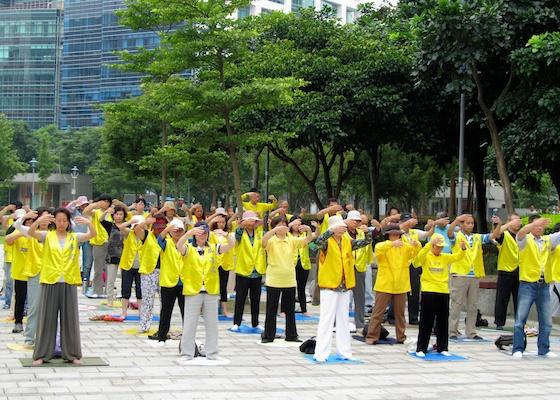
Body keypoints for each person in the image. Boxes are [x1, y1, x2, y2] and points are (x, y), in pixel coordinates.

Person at [27, 208, 97, 365]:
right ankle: (42, 355)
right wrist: (38, 222)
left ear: (68, 222)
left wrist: (89, 223)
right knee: (46, 319)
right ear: (54, 221)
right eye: (58, 220)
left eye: (64, 220)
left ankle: (72, 354)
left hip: (68, 281)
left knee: (69, 319)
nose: (61, 223)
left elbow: (93, 235)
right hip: (50, 280)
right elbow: (32, 233)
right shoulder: (47, 236)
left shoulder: (74, 237)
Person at [313, 215, 373, 362]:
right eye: (338, 227)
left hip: (345, 286)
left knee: (343, 320)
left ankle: (344, 351)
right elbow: (317, 242)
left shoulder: (348, 241)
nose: (342, 229)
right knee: (327, 320)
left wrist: (367, 232)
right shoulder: (326, 242)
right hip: (330, 286)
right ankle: (321, 353)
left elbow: (366, 242)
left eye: (342, 227)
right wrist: (330, 231)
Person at [176, 221, 235, 362]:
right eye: (200, 232)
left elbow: (231, 245)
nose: (203, 235)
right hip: (193, 290)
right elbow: (178, 246)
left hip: (211, 290)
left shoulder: (214, 248)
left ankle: (212, 353)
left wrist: (226, 235)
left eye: (205, 232)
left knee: (212, 324)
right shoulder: (189, 248)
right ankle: (186, 353)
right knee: (190, 323)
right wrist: (188, 233)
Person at [261, 216, 317, 343]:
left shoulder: (291, 240)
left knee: (290, 308)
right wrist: (274, 230)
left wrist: (308, 229)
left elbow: (308, 239)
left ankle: (291, 335)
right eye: (279, 224)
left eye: (284, 224)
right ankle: (268, 335)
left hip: (289, 279)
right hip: (274, 279)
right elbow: (264, 241)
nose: (282, 227)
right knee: (271, 309)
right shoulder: (271, 240)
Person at [446, 213, 500, 340]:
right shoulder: (457, 236)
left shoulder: (476, 237)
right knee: (456, 303)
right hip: (460, 273)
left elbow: (493, 235)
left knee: (473, 305)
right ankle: (452, 331)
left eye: (472, 223)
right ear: (462, 224)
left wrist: (499, 225)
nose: (470, 225)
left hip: (474, 274)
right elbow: (449, 232)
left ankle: (471, 332)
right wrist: (457, 219)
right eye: (467, 223)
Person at [512, 215, 560, 358]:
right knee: (520, 320)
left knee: (546, 320)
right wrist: (531, 226)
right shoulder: (526, 240)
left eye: (541, 225)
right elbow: (520, 233)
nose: (539, 227)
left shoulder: (547, 240)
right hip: (528, 284)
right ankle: (518, 348)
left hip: (544, 285)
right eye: (536, 225)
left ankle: (544, 349)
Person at [365, 223, 420, 345]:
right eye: (392, 234)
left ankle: (401, 336)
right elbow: (379, 249)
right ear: (387, 235)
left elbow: (415, 253)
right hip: (385, 284)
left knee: (400, 314)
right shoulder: (382, 245)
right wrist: (391, 244)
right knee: (378, 312)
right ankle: (372, 335)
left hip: (401, 284)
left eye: (397, 234)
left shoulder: (405, 246)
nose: (395, 236)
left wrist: (417, 245)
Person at [413, 234, 467, 357]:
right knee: (426, 321)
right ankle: (421, 347)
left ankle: (442, 347)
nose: (440, 249)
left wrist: (462, 249)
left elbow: (457, 257)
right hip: (429, 290)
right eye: (438, 247)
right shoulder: (426, 255)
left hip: (443, 291)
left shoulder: (444, 257)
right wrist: (428, 244)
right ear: (432, 245)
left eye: (441, 247)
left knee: (443, 321)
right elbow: (417, 261)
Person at [232, 211, 265, 331]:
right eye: (250, 220)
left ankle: (255, 322)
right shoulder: (241, 234)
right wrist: (242, 223)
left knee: (256, 299)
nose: (252, 223)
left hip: (257, 270)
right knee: (240, 298)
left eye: (254, 220)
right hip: (243, 270)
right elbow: (237, 233)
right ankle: (237, 322)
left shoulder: (259, 234)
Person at [345, 210, 378, 332]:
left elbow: (369, 241)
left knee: (360, 297)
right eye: (353, 220)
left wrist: (368, 232)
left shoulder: (362, 233)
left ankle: (359, 323)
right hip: (345, 267)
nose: (355, 223)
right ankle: (340, 323)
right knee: (342, 297)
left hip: (359, 267)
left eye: (358, 221)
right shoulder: (342, 232)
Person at [493, 213, 522, 330]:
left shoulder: (522, 236)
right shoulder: (504, 234)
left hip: (520, 270)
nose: (517, 223)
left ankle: (520, 322)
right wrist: (505, 224)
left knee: (519, 298)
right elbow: (496, 234)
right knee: (502, 298)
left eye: (519, 221)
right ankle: (499, 322)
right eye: (514, 221)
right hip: (506, 270)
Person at [208, 208, 235, 318]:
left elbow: (232, 244)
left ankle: (224, 310)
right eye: (218, 222)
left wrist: (225, 235)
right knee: (211, 286)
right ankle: (209, 309)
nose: (221, 224)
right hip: (213, 264)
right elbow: (206, 225)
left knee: (223, 287)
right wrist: (215, 216)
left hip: (224, 264)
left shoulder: (229, 235)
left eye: (223, 222)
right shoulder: (211, 234)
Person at [117, 215, 143, 320]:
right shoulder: (129, 233)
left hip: (141, 267)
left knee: (140, 291)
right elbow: (121, 227)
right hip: (128, 266)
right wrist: (130, 221)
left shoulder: (146, 235)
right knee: (125, 290)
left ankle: (141, 312)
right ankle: (124, 312)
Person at [288, 216, 315, 317]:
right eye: (295, 224)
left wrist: (309, 229)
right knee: (289, 288)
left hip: (303, 264)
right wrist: (290, 224)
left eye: (299, 224)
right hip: (290, 263)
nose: (297, 226)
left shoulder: (304, 234)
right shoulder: (286, 234)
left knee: (301, 288)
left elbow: (315, 235)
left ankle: (304, 309)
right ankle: (286, 309)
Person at [67, 196, 93, 293]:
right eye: (82, 205)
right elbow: (67, 209)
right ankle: (73, 277)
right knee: (73, 258)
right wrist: (73, 202)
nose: (84, 206)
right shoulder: (74, 213)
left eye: (85, 204)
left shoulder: (90, 213)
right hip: (75, 238)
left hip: (87, 238)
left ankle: (85, 280)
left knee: (87, 261)